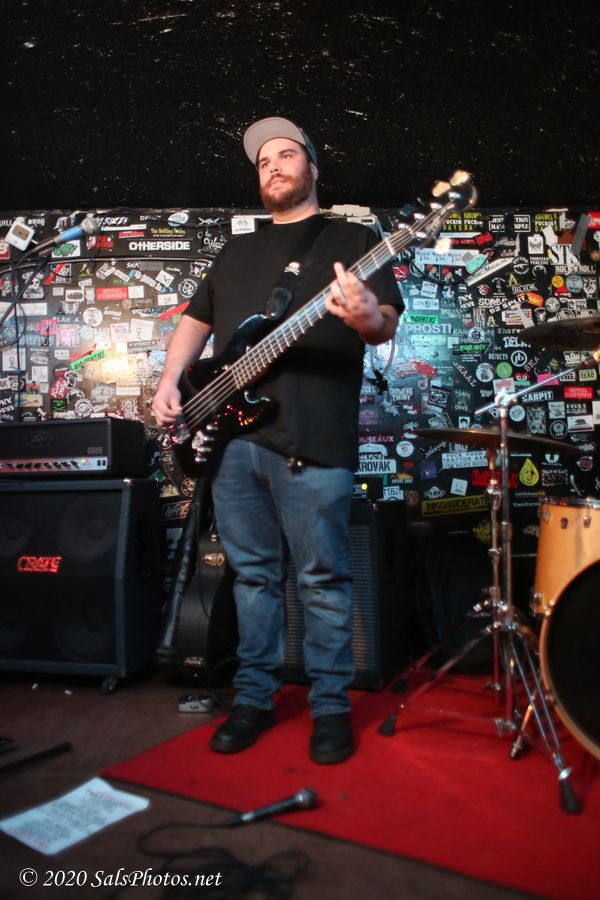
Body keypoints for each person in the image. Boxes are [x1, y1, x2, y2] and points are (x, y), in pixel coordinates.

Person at [152, 116, 403, 764]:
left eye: (287, 154)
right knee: (252, 579)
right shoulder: (236, 251)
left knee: (323, 581)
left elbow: (383, 323)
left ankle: (330, 708)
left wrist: (367, 316)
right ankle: (254, 699)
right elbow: (196, 321)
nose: (273, 166)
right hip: (234, 444)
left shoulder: (353, 240)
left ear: (313, 168)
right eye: (263, 161)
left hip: (316, 440)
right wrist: (171, 380)